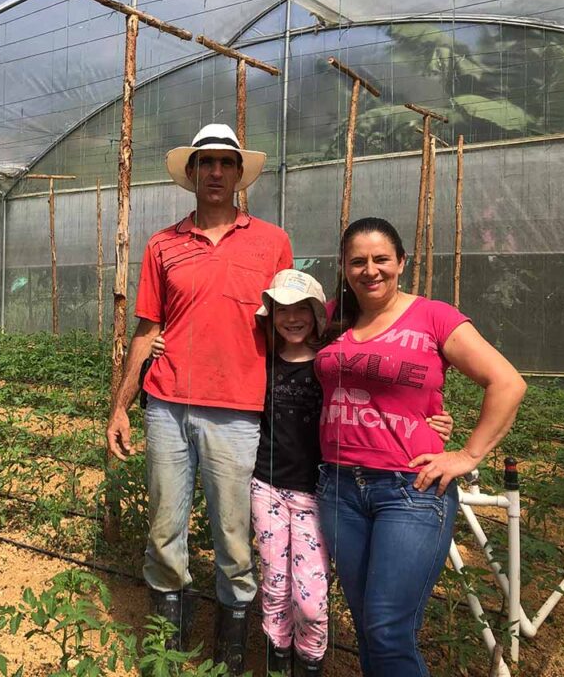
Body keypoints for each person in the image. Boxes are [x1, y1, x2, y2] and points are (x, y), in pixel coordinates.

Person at [150, 268, 455, 676]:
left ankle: (310, 660)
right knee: (275, 586)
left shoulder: (330, 364)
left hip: (319, 492)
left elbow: (381, 391)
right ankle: (279, 660)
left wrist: (431, 419)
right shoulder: (260, 363)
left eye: (302, 310)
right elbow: (215, 355)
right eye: (281, 310)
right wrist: (162, 345)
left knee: (311, 598)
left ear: (317, 314)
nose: (292, 318)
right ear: (270, 315)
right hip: (267, 490)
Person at [106, 123, 292, 672]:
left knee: (234, 535)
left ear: (239, 174)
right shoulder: (163, 244)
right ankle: (168, 643)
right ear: (190, 175)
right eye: (204, 163)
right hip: (166, 405)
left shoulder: (272, 242)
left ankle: (232, 645)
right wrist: (120, 404)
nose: (215, 172)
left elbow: (292, 324)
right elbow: (146, 328)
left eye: (225, 163)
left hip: (238, 411)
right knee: (164, 528)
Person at [315, 216, 526, 677]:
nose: (370, 270)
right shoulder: (332, 317)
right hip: (337, 488)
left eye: (381, 259)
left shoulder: (434, 316)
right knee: (369, 625)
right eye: (357, 261)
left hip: (409, 490)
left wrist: (468, 454)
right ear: (344, 267)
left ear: (401, 262)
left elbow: (507, 382)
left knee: (389, 629)